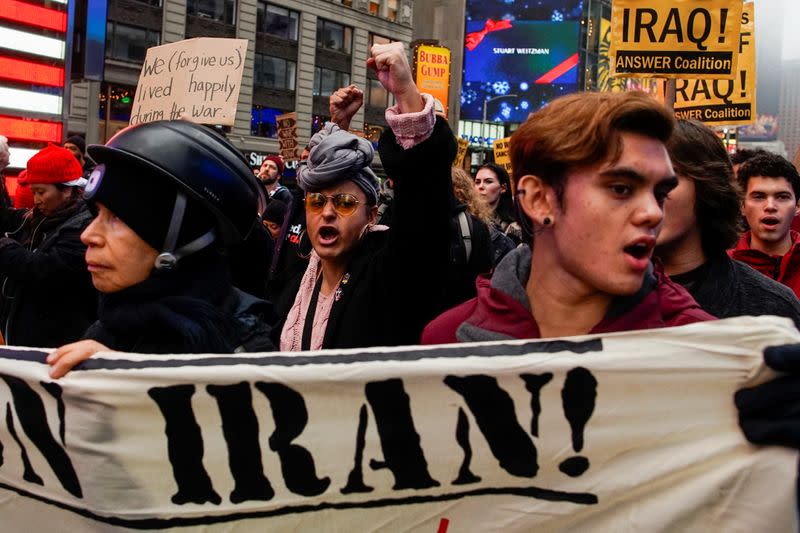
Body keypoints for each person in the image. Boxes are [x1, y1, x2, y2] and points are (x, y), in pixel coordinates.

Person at [423, 91, 711, 344]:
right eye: (621, 189)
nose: (653, 212)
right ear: (538, 200)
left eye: (660, 194)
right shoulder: (447, 342)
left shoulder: (706, 354)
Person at [47, 120, 275, 378]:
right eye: (97, 213)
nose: (88, 235)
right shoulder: (108, 328)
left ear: (182, 235)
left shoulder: (243, 349)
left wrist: (133, 381)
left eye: (118, 217)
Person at [279, 41, 456, 350]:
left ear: (372, 215)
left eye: (345, 203)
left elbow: (423, 203)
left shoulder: (387, 278)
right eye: (316, 202)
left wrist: (405, 94)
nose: (327, 212)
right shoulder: (295, 275)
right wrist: (337, 128)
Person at [655, 120, 800, 327]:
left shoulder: (773, 308)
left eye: (666, 180)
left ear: (709, 188)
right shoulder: (598, 298)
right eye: (623, 187)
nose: (646, 198)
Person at [0, 144, 96, 347]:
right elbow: (8, 217)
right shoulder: (43, 217)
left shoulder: (84, 227)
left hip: (58, 341)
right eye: (33, 192)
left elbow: (42, 269)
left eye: (41, 192)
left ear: (67, 189)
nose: (36, 200)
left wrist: (4, 247)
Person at [730, 152, 800, 298]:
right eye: (759, 197)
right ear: (742, 206)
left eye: (782, 197)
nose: (770, 206)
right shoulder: (719, 267)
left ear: (797, 206)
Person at [473, 162, 522, 243]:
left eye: (488, 181)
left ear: (503, 188)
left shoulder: (513, 228)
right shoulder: (467, 220)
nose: (481, 186)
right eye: (477, 182)